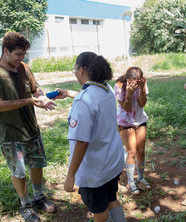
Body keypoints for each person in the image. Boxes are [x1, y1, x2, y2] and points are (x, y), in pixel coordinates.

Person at [57, 52, 125, 222]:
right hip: (111, 162)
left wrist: (70, 175)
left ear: (81, 70)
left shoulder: (83, 101)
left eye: (74, 69)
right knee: (112, 200)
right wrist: (68, 93)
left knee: (99, 211)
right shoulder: (106, 89)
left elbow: (81, 142)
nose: (75, 73)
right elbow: (92, 98)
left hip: (95, 171)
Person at [0, 32, 56, 221]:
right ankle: (26, 205)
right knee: (19, 171)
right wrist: (29, 101)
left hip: (31, 128)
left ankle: (39, 197)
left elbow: (35, 88)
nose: (21, 58)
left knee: (37, 164)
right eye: (18, 54)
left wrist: (40, 97)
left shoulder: (24, 68)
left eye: (24, 54)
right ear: (5, 50)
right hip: (10, 132)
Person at [114, 67, 150, 195]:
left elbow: (142, 104)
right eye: (132, 81)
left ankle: (140, 178)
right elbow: (127, 108)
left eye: (137, 80)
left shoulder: (142, 83)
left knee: (141, 151)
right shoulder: (119, 85)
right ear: (127, 79)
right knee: (132, 152)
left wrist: (142, 89)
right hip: (125, 122)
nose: (134, 83)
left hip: (140, 120)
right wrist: (129, 94)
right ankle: (130, 181)